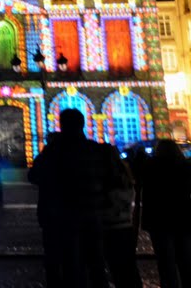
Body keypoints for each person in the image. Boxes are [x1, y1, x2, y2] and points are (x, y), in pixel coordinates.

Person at [29, 109, 109, 288]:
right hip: (92, 215)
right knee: (95, 262)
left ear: (61, 125)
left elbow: (34, 176)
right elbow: (110, 180)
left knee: (61, 263)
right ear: (83, 124)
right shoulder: (95, 149)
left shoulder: (53, 151)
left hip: (58, 216)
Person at [141, 139, 191, 287]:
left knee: (165, 261)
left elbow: (147, 193)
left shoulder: (151, 167)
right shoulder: (185, 166)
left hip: (159, 219)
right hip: (183, 217)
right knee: (186, 259)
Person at [99, 143, 142, 288]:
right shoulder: (125, 174)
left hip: (109, 227)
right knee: (129, 267)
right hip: (126, 226)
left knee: (115, 268)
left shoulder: (103, 177)